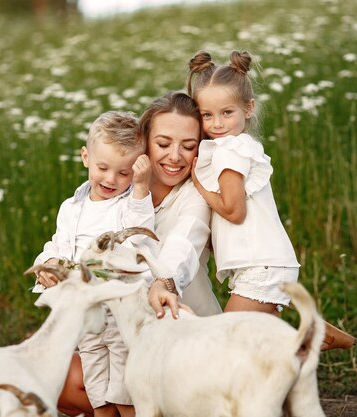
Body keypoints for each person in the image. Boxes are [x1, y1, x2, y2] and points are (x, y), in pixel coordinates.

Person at [51, 92, 222, 416]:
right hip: (124, 335)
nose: (175, 156)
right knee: (58, 373)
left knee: (132, 380)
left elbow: (178, 253)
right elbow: (72, 238)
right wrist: (51, 264)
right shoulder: (112, 190)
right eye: (163, 143)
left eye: (188, 146)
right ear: (142, 144)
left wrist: (163, 282)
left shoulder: (193, 200)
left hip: (180, 342)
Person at [186, 50, 355, 349]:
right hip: (263, 263)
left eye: (227, 113)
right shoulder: (237, 147)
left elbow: (234, 211)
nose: (216, 124)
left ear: (248, 108)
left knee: (226, 344)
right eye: (206, 115)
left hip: (261, 266)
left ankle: (303, 339)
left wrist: (198, 184)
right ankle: (305, 338)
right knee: (255, 347)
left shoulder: (231, 150)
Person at [34, 110, 153, 417]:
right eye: (103, 168)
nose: (111, 179)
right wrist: (48, 264)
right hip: (84, 313)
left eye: (124, 173)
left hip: (118, 311)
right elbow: (60, 246)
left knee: (126, 386)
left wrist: (140, 188)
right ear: (86, 157)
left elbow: (139, 240)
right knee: (96, 383)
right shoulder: (71, 208)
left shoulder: (129, 206)